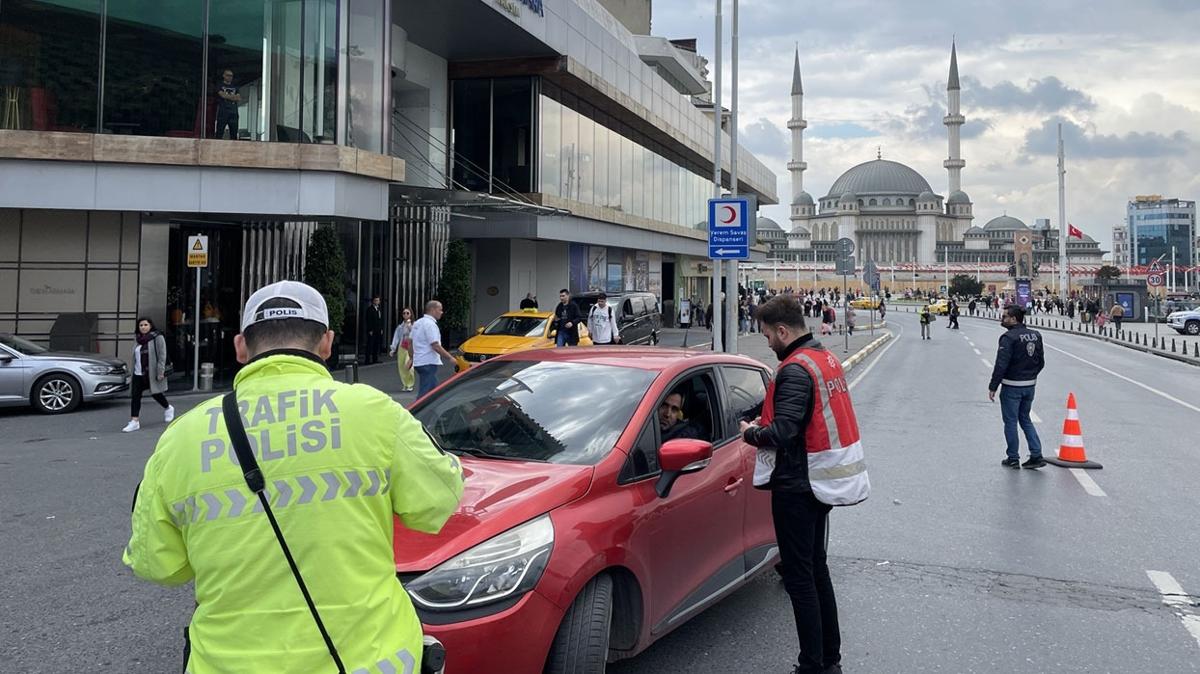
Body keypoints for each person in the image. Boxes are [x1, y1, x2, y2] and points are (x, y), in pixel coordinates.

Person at [123, 281, 464, 673]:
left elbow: (157, 564)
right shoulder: (374, 412)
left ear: (240, 347)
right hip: (371, 659)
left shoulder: (181, 437)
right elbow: (437, 503)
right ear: (327, 344)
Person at [739, 294, 869, 674]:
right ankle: (830, 660)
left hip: (799, 484)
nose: (767, 343)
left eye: (766, 336)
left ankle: (812, 664)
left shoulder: (795, 368)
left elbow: (783, 430)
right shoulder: (822, 357)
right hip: (820, 481)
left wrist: (750, 433)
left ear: (782, 331)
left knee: (801, 579)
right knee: (816, 570)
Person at [988, 305, 1045, 469]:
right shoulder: (1035, 335)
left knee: (1010, 422)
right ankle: (1036, 454)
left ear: (1014, 319)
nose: (1002, 319)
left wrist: (993, 386)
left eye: (1005, 316)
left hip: (1012, 386)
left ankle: (1013, 457)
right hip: (1029, 385)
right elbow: (1041, 362)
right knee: (1025, 419)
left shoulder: (1008, 338)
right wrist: (1030, 375)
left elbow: (1001, 365)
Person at [122, 317, 173, 432]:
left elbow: (162, 355)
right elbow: (135, 357)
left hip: (151, 373)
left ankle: (168, 408)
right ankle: (134, 421)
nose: (143, 327)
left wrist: (160, 371)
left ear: (150, 326)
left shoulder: (157, 337)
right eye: (141, 325)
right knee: (135, 396)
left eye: (145, 325)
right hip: (138, 373)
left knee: (156, 393)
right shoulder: (138, 339)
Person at [412, 300, 454, 397]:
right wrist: (450, 357)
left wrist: (412, 357)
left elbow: (410, 342)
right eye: (440, 310)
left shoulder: (417, 323)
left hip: (419, 361)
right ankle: (418, 411)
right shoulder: (430, 325)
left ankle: (431, 410)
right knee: (426, 394)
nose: (442, 312)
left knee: (433, 391)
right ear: (433, 310)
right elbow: (435, 345)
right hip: (428, 361)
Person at [389, 307, 416, 392]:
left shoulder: (414, 325)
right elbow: (396, 338)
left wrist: (409, 326)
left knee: (408, 365)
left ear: (411, 314)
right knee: (401, 366)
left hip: (410, 347)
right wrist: (393, 349)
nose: (405, 315)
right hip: (402, 347)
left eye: (407, 313)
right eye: (404, 313)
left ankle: (410, 383)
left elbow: (415, 335)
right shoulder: (400, 327)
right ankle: (405, 384)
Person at [214, 69, 241, 140]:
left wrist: (227, 96)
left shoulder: (235, 87)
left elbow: (238, 98)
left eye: (231, 76)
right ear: (224, 76)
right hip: (223, 112)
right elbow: (222, 95)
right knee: (219, 132)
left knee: (234, 133)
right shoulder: (220, 85)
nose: (230, 77)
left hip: (233, 113)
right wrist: (232, 97)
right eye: (228, 75)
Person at [364, 296, 385, 364]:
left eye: (378, 300)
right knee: (370, 345)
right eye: (375, 300)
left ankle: (375, 359)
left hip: (378, 330)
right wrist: (370, 330)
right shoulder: (370, 309)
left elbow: (380, 320)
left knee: (376, 344)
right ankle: (367, 360)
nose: (377, 302)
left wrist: (381, 328)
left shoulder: (379, 309)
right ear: (373, 301)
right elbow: (369, 320)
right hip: (372, 330)